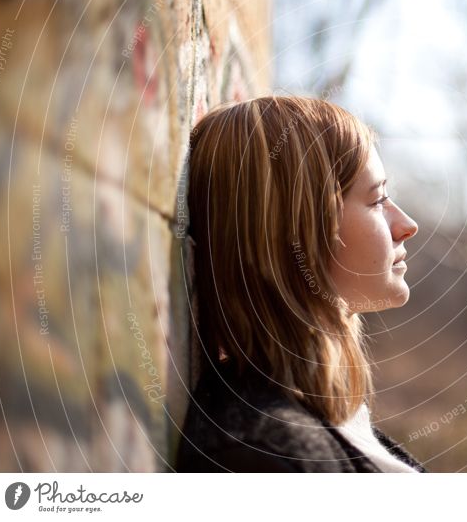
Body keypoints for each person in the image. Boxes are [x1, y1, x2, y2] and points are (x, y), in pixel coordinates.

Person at [176, 96, 425, 472]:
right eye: (377, 200)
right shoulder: (263, 455)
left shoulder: (319, 414)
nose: (407, 225)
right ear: (299, 232)